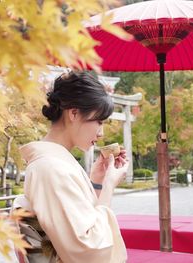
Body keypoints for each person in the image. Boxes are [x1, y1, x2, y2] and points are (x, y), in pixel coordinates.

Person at [15, 71, 129, 263]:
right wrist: (109, 184)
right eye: (99, 121)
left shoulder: (56, 162)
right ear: (74, 113)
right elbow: (89, 250)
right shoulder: (50, 167)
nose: (101, 133)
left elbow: (77, 220)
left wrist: (97, 182)